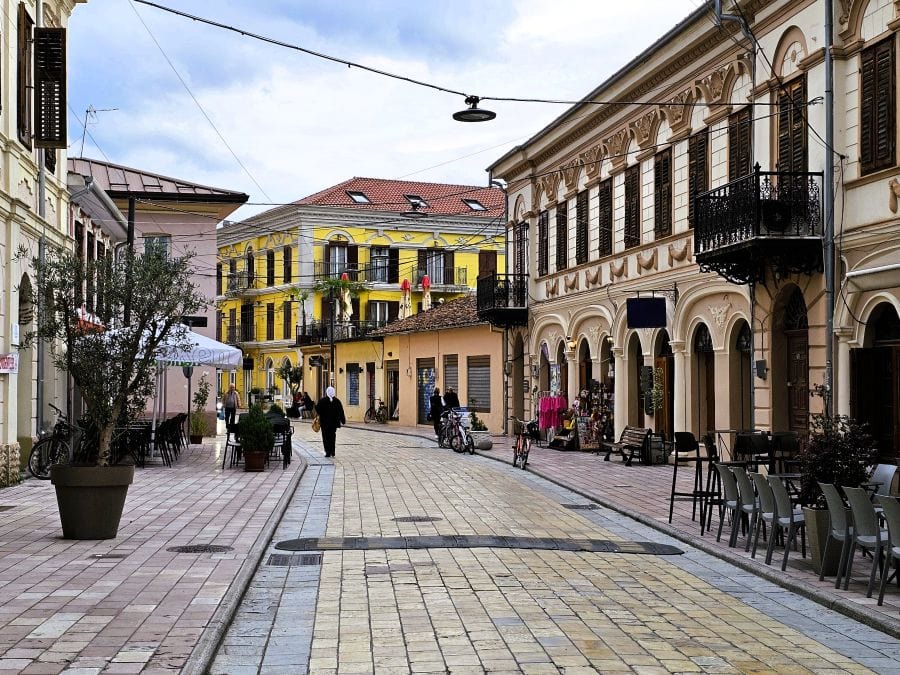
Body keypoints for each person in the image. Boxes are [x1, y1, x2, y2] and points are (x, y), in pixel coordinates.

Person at [316, 386, 346, 458]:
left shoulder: (322, 401)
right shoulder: (337, 401)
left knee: (325, 437)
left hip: (324, 423)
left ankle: (327, 452)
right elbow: (341, 411)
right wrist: (343, 420)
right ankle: (332, 451)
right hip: (333, 423)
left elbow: (318, 410)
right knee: (332, 437)